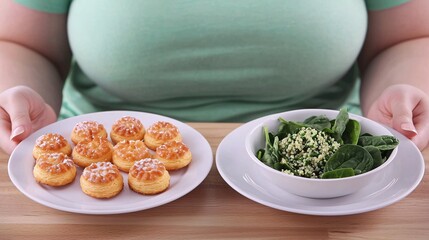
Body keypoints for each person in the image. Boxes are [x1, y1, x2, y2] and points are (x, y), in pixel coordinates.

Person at [0, 0, 428, 155]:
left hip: (325, 169)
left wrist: (404, 90)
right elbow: (22, 43)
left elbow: (407, 36)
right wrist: (20, 96)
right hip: (98, 159)